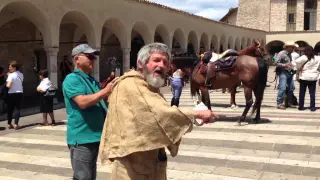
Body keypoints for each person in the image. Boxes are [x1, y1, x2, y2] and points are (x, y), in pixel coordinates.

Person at [99, 43, 219, 179]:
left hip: (152, 161)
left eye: (165, 62)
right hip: (131, 165)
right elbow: (159, 114)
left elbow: (159, 117)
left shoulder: (149, 87)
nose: (161, 65)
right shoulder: (130, 84)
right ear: (140, 64)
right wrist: (196, 114)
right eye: (156, 60)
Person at [62, 44, 116, 180]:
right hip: (82, 138)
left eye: (94, 57)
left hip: (94, 136)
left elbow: (100, 102)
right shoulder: (72, 79)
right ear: (77, 59)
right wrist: (105, 91)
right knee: (83, 177)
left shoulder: (90, 80)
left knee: (90, 175)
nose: (93, 60)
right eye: (89, 57)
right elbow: (82, 102)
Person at [292, 46, 320, 111]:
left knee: (302, 93)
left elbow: (296, 62)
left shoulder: (304, 57)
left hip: (304, 77)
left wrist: (299, 68)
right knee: (312, 93)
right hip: (313, 77)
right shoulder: (318, 57)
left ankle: (301, 107)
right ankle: (312, 107)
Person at [275, 41, 296, 110]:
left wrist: (292, 68)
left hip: (289, 72)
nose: (293, 48)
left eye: (293, 47)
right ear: (288, 47)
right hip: (283, 72)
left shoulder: (289, 54)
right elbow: (276, 63)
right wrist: (285, 65)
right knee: (282, 88)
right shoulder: (281, 53)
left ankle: (289, 102)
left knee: (291, 88)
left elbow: (288, 63)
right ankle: (279, 103)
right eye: (292, 47)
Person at [6, 61, 23, 130]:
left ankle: (9, 124)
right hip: (19, 93)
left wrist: (7, 82)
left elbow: (8, 85)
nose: (9, 68)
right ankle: (16, 124)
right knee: (17, 108)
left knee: (10, 109)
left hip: (11, 94)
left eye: (10, 66)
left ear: (14, 67)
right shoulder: (21, 74)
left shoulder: (11, 75)